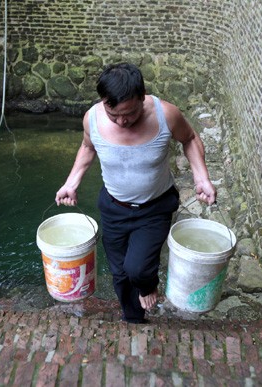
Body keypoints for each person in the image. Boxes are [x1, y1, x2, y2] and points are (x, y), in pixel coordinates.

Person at [55, 63, 216, 323]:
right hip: (113, 206)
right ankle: (134, 319)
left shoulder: (166, 115)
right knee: (119, 272)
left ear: (142, 97)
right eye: (113, 113)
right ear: (103, 102)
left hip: (155, 207)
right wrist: (71, 183)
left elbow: (189, 138)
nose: (122, 121)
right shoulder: (92, 118)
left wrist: (202, 179)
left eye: (128, 114)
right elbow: (87, 148)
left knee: (138, 269)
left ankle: (149, 285)